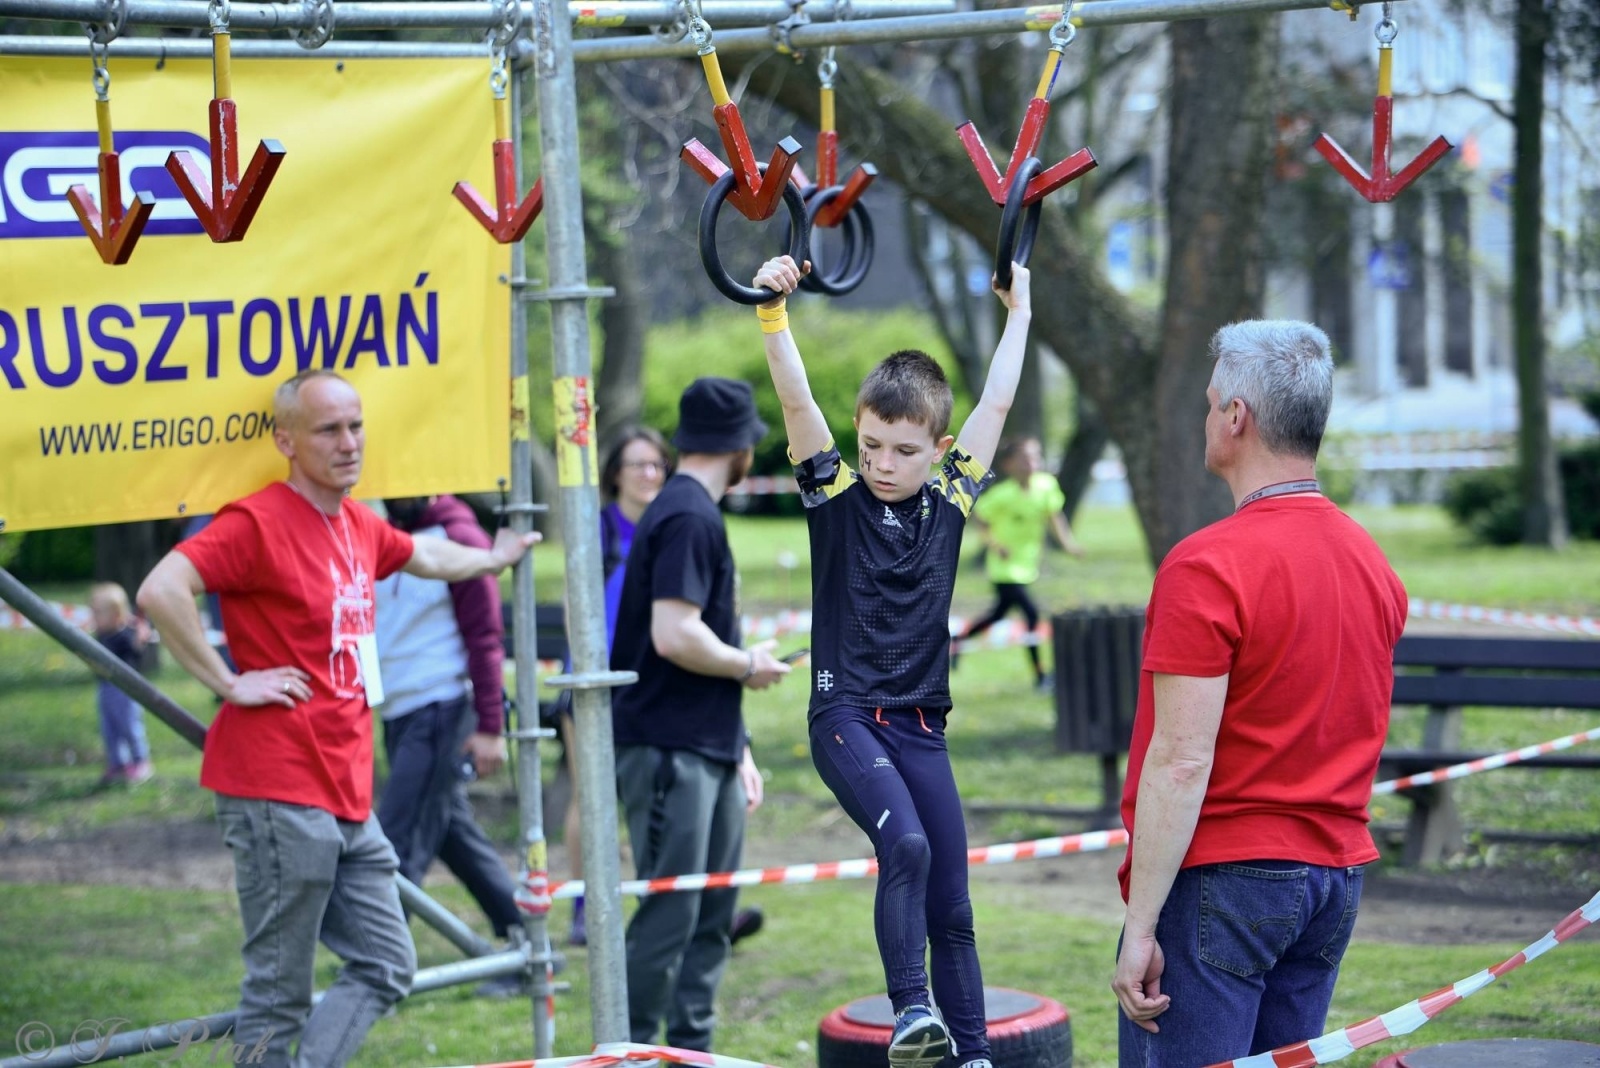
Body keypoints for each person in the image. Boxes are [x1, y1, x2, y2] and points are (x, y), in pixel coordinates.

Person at [137, 368, 538, 1068]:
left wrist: (493, 557)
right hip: (275, 787)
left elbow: (424, 554)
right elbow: (160, 588)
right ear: (285, 441)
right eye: (329, 429)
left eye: (355, 426)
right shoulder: (256, 521)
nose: (349, 442)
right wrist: (230, 681)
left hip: (346, 796)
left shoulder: (357, 523)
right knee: (277, 995)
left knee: (386, 961)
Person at [750, 254, 1035, 1068]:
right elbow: (797, 400)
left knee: (954, 905)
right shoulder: (834, 496)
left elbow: (1000, 399)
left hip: (920, 726)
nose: (881, 463)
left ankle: (972, 1055)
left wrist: (1018, 315)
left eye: (903, 451)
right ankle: (913, 1012)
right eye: (871, 443)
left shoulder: (950, 497)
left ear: (937, 449)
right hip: (844, 716)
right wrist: (773, 313)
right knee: (902, 848)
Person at [1109, 321, 1408, 1068]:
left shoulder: (1207, 566)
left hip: (1226, 880)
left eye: (1212, 403)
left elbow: (1181, 760)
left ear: (1236, 417)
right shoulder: (1372, 562)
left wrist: (1140, 924)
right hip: (1332, 883)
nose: (1207, 418)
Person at [609, 377, 791, 1052]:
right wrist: (749, 665)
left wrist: (736, 745)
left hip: (704, 745)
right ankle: (625, 1051)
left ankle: (689, 1052)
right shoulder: (687, 515)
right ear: (741, 446)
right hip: (667, 749)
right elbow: (675, 635)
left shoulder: (692, 511)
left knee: (712, 914)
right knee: (672, 913)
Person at [374, 494, 528, 996]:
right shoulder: (384, 531)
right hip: (399, 711)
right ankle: (528, 946)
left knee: (397, 842)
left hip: (441, 708)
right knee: (452, 838)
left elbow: (486, 638)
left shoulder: (459, 537)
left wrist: (489, 726)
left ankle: (375, 971)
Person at [565, 427, 673, 947]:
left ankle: (667, 908)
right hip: (596, 686)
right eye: (638, 465)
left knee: (654, 803)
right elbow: (574, 608)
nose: (650, 475)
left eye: (657, 465)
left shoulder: (673, 525)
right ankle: (585, 910)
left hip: (652, 687)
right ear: (616, 474)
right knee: (591, 799)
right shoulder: (598, 530)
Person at [952, 436, 1083, 690]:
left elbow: (1055, 517)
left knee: (998, 614)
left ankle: (958, 640)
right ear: (1009, 464)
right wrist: (994, 544)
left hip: (1027, 565)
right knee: (1032, 615)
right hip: (1005, 568)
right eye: (1024, 459)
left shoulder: (1046, 486)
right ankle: (1041, 676)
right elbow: (978, 516)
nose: (1031, 463)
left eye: (1035, 457)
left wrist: (1069, 544)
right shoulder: (1002, 495)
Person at [89, 581, 152, 786]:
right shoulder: (101, 636)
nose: (93, 617)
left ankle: (140, 761)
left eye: (98, 612)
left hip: (125, 691)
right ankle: (118, 763)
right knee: (110, 728)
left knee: (129, 726)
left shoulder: (125, 635)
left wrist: (139, 639)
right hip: (105, 689)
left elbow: (135, 653)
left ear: (116, 615)